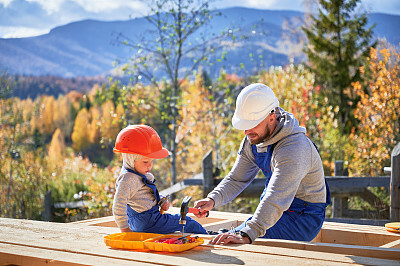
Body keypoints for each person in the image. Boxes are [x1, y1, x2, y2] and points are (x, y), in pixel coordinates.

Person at [194, 83, 331, 244]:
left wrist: (247, 233)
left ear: (272, 117)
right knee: (223, 238)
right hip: (273, 210)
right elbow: (237, 178)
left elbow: (276, 197)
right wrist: (213, 199)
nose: (246, 132)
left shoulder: (294, 148)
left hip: (302, 218)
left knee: (235, 243)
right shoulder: (253, 139)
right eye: (244, 126)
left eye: (252, 125)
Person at [112, 124, 207, 234]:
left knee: (180, 225)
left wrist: (160, 201)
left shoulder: (137, 175)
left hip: (147, 220)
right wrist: (125, 229)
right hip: (148, 222)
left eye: (151, 161)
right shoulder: (128, 179)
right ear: (130, 159)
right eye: (145, 162)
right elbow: (118, 205)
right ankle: (209, 238)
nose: (150, 166)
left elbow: (141, 198)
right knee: (187, 222)